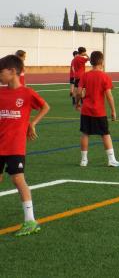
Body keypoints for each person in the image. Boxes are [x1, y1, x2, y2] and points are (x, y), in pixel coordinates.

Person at [0, 54, 50, 236]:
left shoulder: (27, 94)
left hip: (15, 146)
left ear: (12, 72)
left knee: (17, 179)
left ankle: (30, 220)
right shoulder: (0, 92)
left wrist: (32, 123)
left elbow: (45, 107)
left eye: (1, 72)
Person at [76, 51, 119, 167]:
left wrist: (78, 103)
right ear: (102, 61)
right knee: (105, 134)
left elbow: (78, 92)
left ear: (91, 61)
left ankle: (84, 160)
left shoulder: (85, 75)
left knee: (85, 133)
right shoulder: (105, 76)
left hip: (86, 110)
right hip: (99, 111)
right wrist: (113, 111)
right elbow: (109, 96)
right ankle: (111, 160)